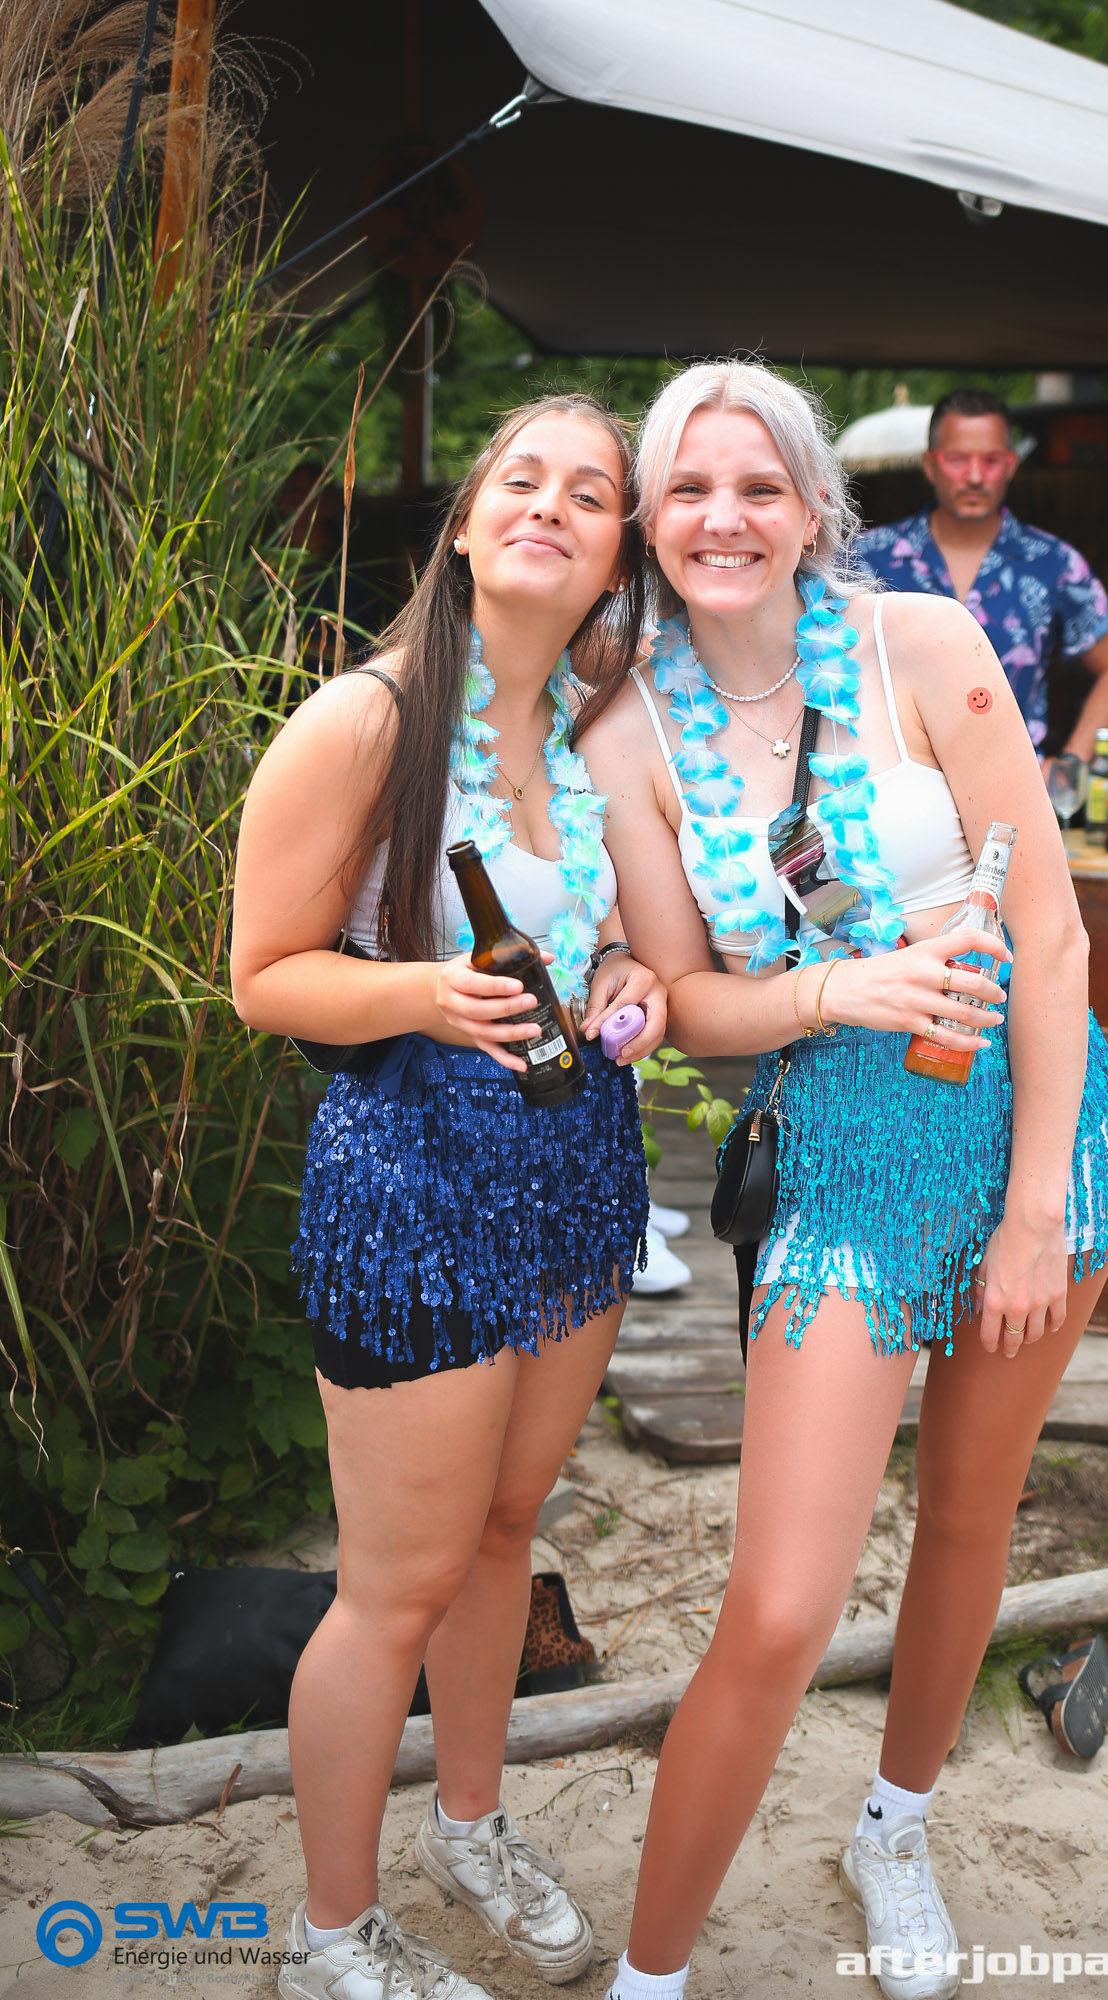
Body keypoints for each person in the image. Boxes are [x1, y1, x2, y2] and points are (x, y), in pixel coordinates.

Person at [580, 362, 1108, 2000]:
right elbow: (691, 1001)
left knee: (967, 1514)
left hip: (1037, 1120)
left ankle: (894, 1830)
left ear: (815, 507)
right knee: (777, 1608)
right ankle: (650, 1979)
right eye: (689, 488)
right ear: (650, 519)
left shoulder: (921, 645)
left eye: (757, 485)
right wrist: (835, 990)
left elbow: (1050, 932)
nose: (723, 516)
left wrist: (1032, 1210)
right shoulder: (629, 731)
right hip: (840, 1152)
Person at [231, 395, 667, 2000]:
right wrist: (423, 995)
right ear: (469, 527)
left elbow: (598, 930)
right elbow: (262, 977)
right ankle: (328, 1935)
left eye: (590, 492)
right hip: (411, 1192)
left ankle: (468, 1827)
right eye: (521, 480)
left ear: (615, 552)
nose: (551, 504)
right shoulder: (366, 721)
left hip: (574, 1184)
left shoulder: (588, 732)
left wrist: (623, 977)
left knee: (500, 1533)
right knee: (392, 1587)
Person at [846, 388, 1108, 762]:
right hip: (894, 781)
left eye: (991, 460)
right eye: (957, 459)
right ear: (930, 465)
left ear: (1012, 465)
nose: (974, 476)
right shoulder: (866, 558)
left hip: (1014, 780)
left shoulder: (1053, 562)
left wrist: (1072, 762)